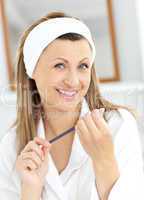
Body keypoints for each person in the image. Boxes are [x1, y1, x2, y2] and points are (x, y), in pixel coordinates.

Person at [0, 11, 144, 200]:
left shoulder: (117, 125)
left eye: (83, 66)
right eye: (60, 65)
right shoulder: (12, 145)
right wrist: (30, 189)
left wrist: (104, 161)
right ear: (32, 70)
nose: (73, 81)